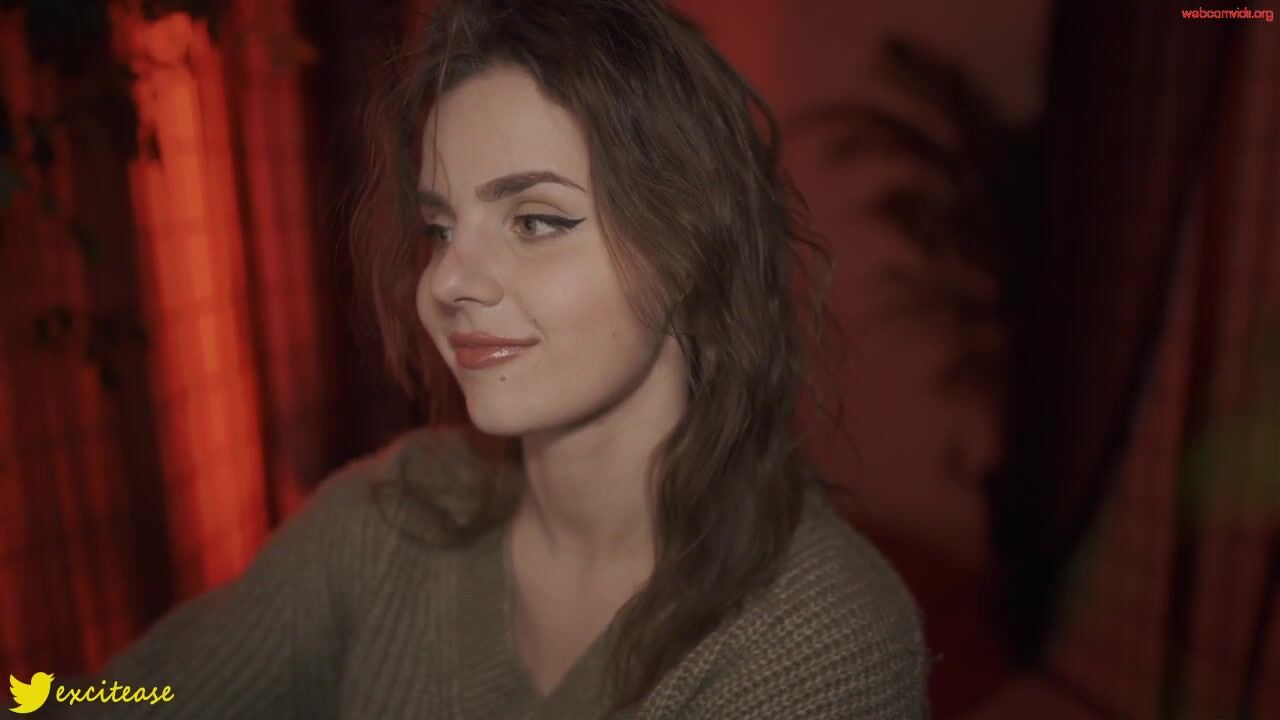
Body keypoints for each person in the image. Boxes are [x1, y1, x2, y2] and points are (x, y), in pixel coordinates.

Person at [47, 0, 931, 717]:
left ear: (693, 250)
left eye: (535, 221)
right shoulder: (393, 513)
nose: (447, 281)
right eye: (440, 228)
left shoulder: (818, 641)